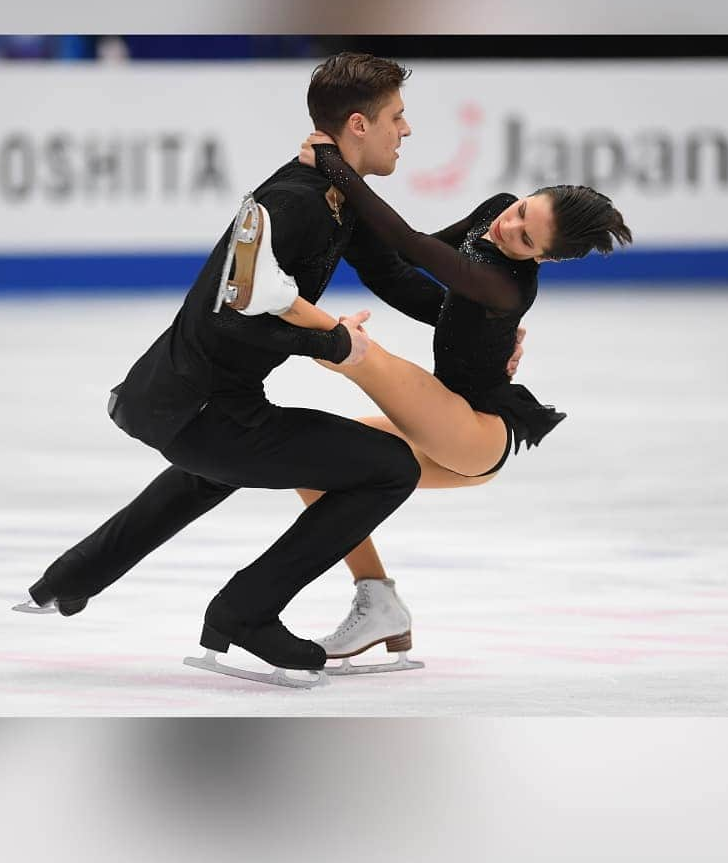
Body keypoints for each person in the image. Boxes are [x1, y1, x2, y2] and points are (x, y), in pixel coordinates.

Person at [13, 52, 522, 689]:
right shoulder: (296, 201)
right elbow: (231, 318)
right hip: (197, 404)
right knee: (388, 469)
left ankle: (69, 579)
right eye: (398, 116)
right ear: (358, 125)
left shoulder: (336, 196)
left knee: (214, 470)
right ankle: (246, 613)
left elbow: (394, 278)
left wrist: (485, 331)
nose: (407, 129)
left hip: (198, 400)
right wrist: (335, 346)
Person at [269, 131, 632, 671]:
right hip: (440, 420)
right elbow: (400, 268)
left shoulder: (506, 287)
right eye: (522, 210)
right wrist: (331, 188)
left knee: (359, 356)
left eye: (527, 239)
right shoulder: (496, 212)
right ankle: (378, 601)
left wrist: (334, 165)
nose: (508, 226)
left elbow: (414, 246)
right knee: (312, 466)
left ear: (545, 260)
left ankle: (273, 299)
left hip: (472, 433)